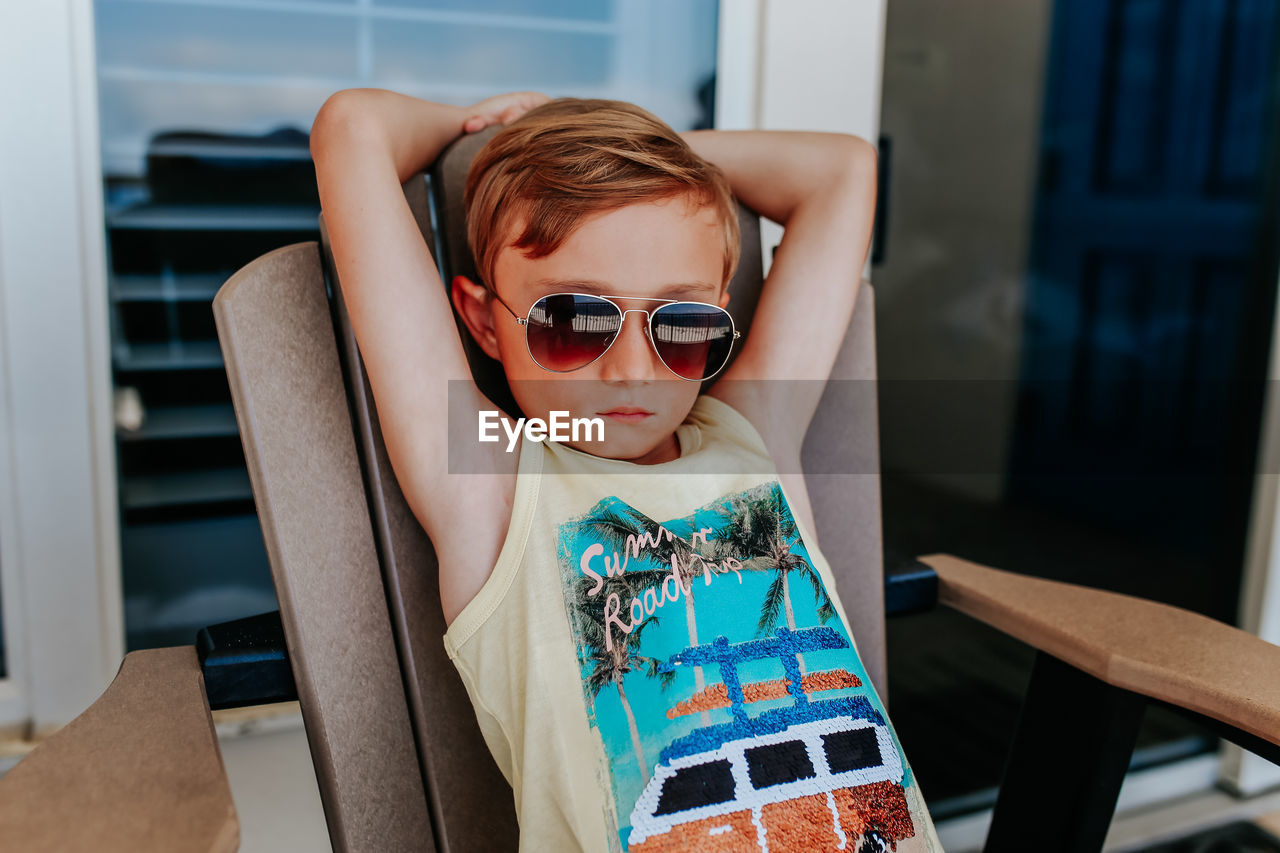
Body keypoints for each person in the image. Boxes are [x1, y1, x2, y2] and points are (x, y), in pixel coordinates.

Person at [310, 88, 943, 853]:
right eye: (575, 320)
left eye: (680, 325)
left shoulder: (751, 437)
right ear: (483, 321)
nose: (633, 372)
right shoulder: (492, 482)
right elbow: (351, 131)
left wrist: (647, 149)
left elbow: (842, 172)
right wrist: (498, 134)